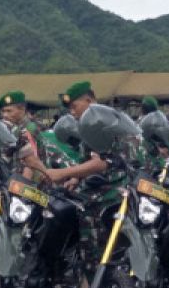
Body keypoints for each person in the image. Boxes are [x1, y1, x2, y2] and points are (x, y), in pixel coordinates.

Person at [44, 82, 132, 275]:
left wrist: (64, 173)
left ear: (89, 100)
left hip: (112, 198)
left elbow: (102, 163)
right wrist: (76, 179)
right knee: (92, 256)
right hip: (94, 196)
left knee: (107, 256)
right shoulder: (91, 123)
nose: (72, 113)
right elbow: (89, 159)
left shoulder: (105, 121)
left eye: (74, 106)